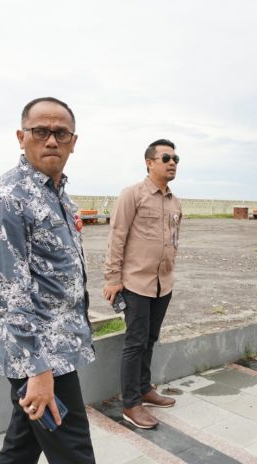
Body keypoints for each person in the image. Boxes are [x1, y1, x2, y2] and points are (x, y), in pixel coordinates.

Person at [0, 97, 96, 463]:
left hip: (61, 342)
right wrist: (37, 369)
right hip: (42, 355)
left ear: (73, 141)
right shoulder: (6, 198)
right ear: (21, 136)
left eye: (61, 133)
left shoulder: (57, 194)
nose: (51, 141)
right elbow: (9, 295)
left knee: (21, 446)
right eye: (41, 131)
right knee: (74, 452)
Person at [103, 139, 182, 429]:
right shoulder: (132, 195)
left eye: (175, 158)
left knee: (150, 338)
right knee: (135, 342)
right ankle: (131, 404)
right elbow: (117, 237)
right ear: (150, 163)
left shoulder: (175, 201)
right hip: (136, 282)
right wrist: (113, 278)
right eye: (166, 158)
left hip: (163, 283)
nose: (172, 163)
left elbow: (174, 239)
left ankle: (145, 388)